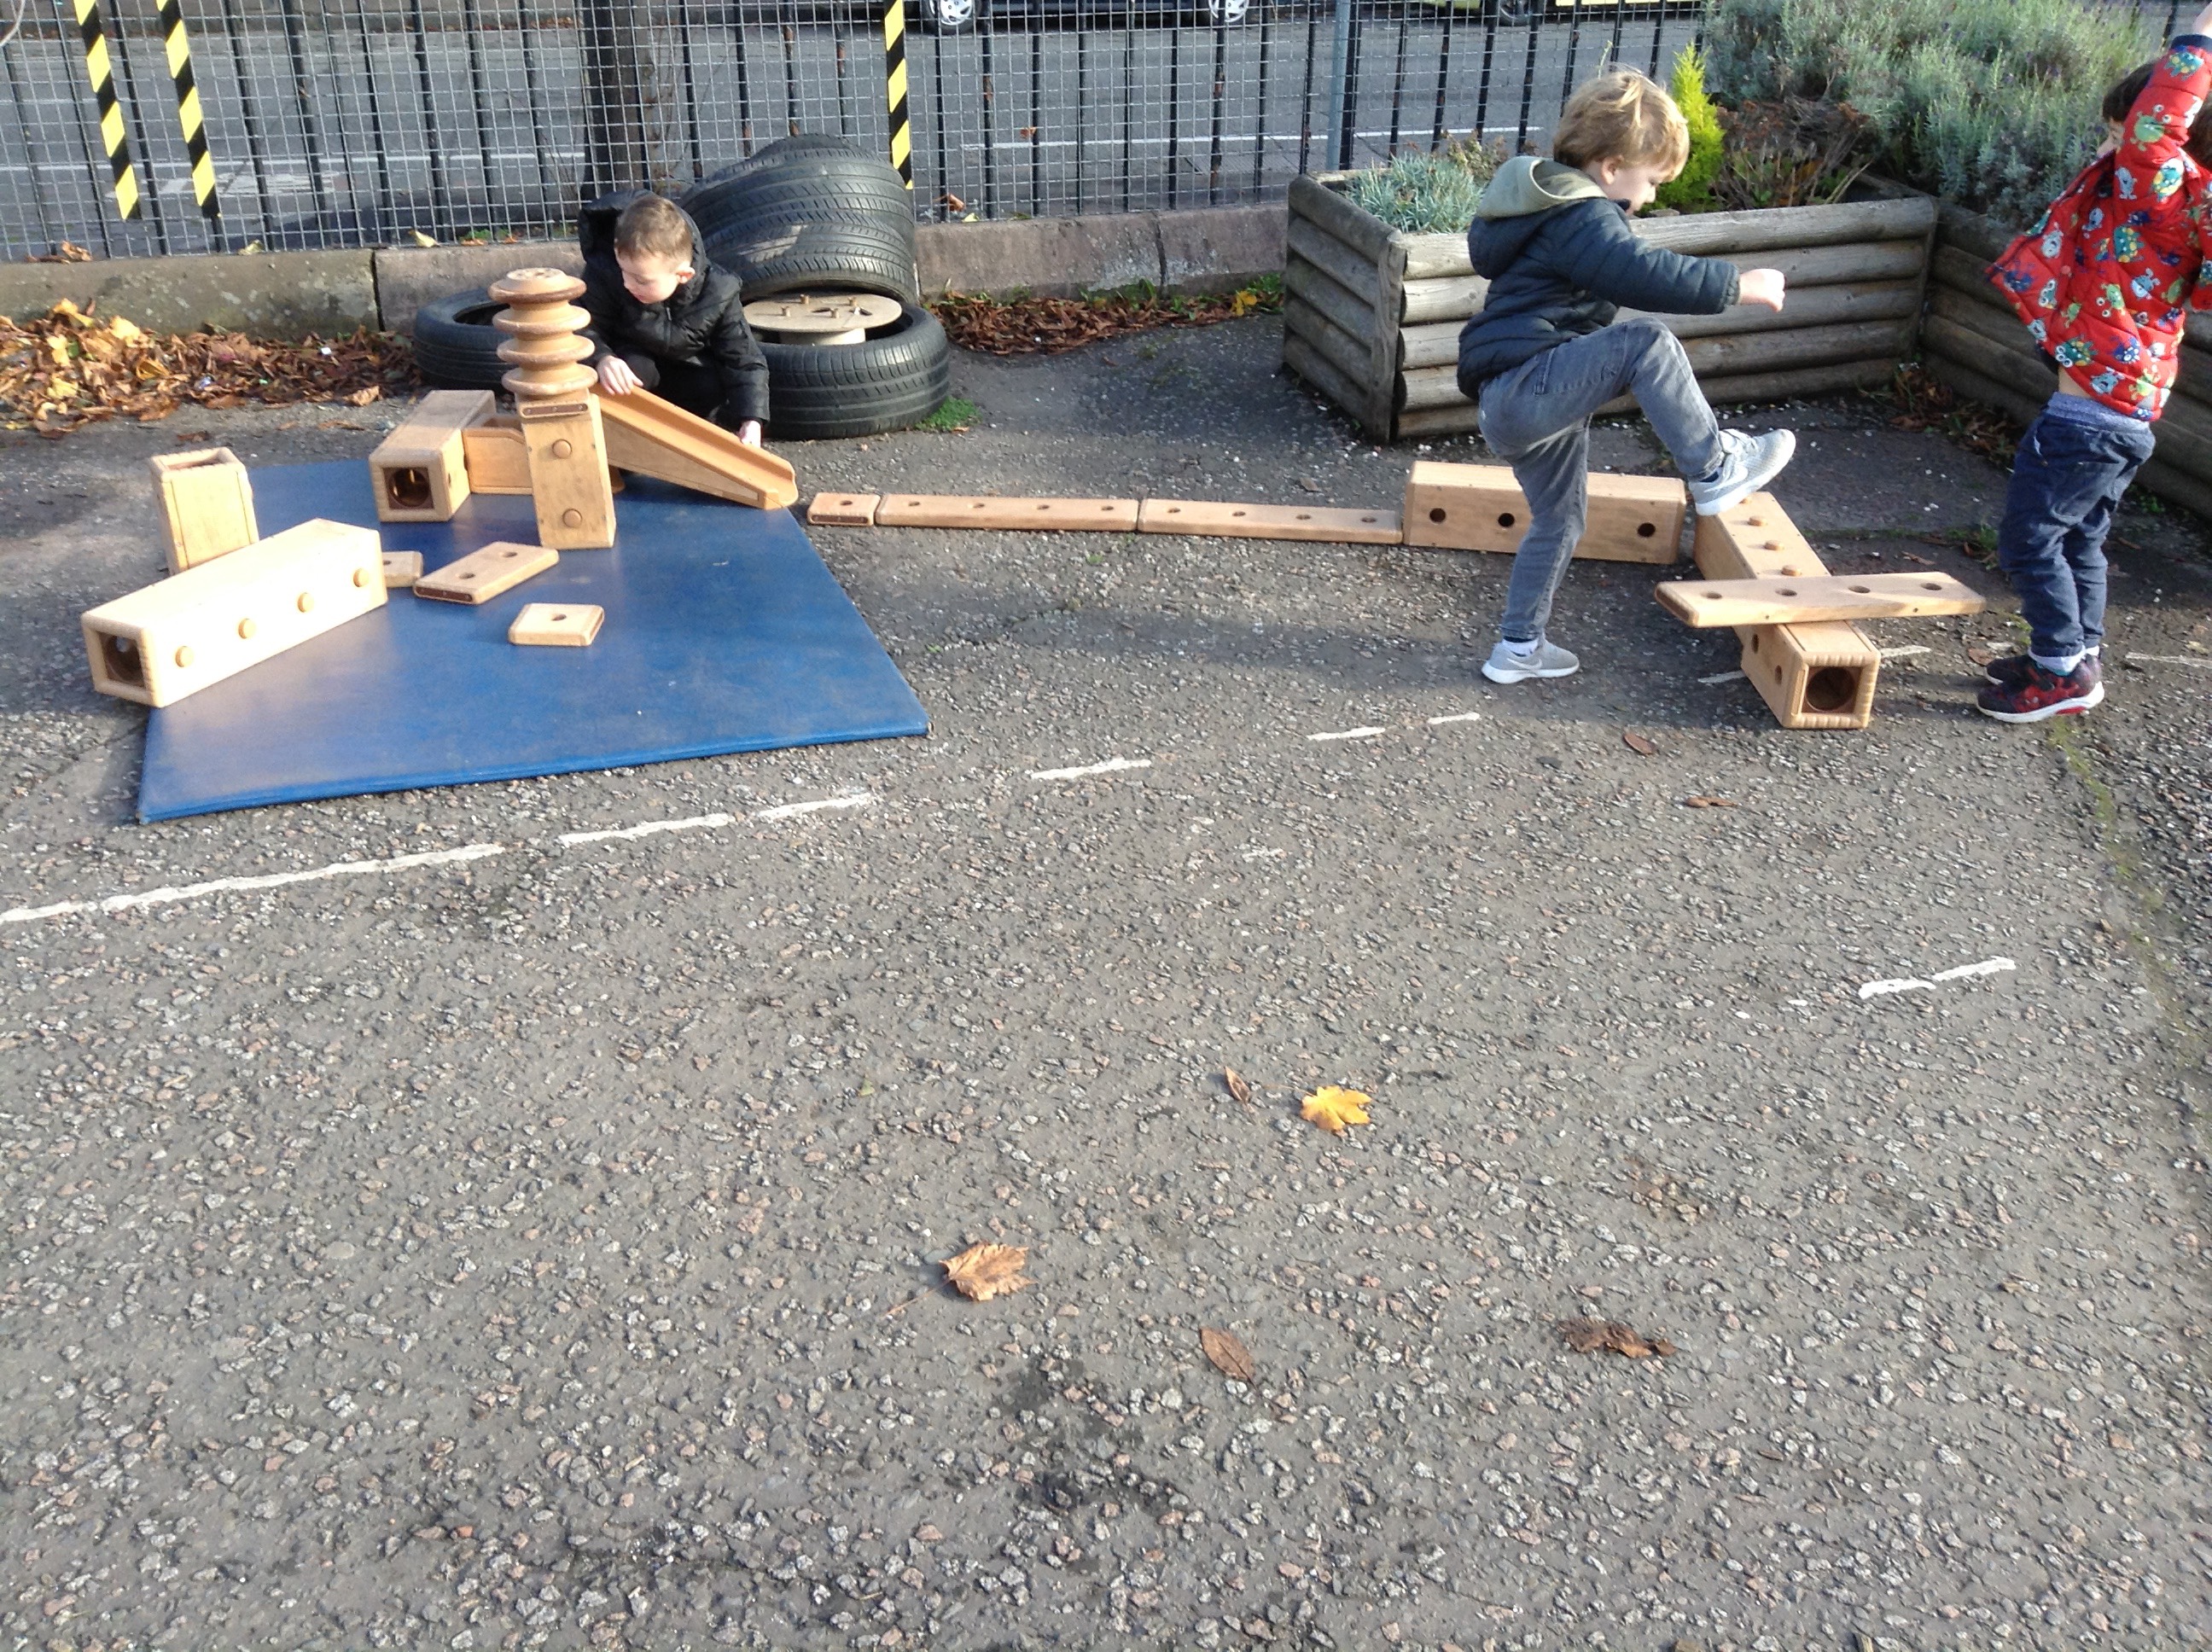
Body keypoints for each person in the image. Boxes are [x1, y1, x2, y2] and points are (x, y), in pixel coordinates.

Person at [1456, 67, 1795, 685]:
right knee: (1647, 342)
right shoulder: (1582, 216)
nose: (1654, 198)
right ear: (1611, 168)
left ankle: (1518, 648)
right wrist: (1737, 285)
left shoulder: (1544, 208)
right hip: (1529, 383)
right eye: (1653, 181)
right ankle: (1714, 469)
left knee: (1560, 520)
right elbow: (1636, 271)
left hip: (1514, 400)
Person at [1980, 16, 2212, 721]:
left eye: (2117, 135)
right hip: (2123, 416)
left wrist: (2199, 37)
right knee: (2081, 537)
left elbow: (2156, 126)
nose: (2108, 148)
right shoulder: (2179, 208)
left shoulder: (2157, 198)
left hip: (2087, 421)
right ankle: (2076, 654)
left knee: (2029, 539)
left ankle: (2058, 673)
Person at [576, 190, 770, 446]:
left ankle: (696, 439)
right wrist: (602, 359)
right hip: (635, 373)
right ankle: (624, 443)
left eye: (641, 280)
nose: (627, 283)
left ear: (683, 275)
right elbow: (583, 325)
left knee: (710, 382)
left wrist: (752, 420)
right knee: (628, 371)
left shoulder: (718, 291)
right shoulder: (605, 274)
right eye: (624, 271)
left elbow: (743, 358)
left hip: (688, 376)